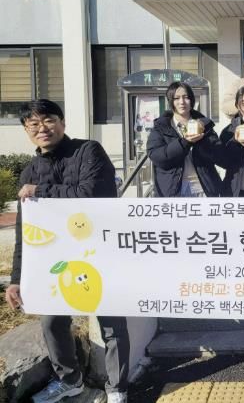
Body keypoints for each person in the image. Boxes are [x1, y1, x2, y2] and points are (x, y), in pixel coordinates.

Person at [5, 99, 129, 403]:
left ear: (62, 122)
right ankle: (70, 380)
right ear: (26, 130)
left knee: (111, 323)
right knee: (52, 321)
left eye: (48, 120)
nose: (42, 128)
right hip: (54, 260)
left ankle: (117, 388)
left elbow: (92, 194)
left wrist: (41, 191)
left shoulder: (88, 151)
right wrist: (16, 278)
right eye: (33, 124)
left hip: (98, 252)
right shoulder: (29, 171)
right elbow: (24, 231)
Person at [147, 82, 223, 197]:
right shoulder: (161, 126)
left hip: (202, 188)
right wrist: (185, 142)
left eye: (186, 97)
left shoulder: (204, 124)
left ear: (192, 100)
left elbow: (219, 155)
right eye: (176, 98)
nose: (182, 102)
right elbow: (157, 156)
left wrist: (202, 142)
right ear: (170, 101)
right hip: (173, 190)